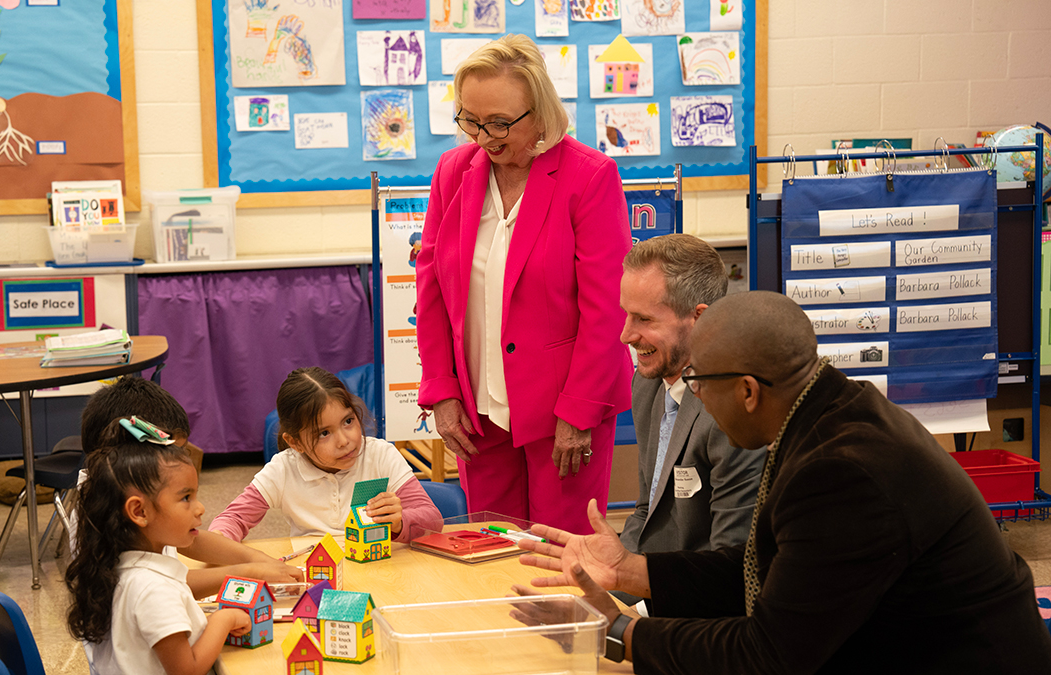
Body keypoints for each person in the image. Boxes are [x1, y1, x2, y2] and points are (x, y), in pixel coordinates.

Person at [517, 291, 1051, 673]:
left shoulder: (844, 471)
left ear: (748, 391)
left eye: (700, 384)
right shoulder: (831, 411)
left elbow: (770, 653)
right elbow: (763, 569)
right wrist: (633, 570)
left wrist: (621, 634)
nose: (695, 397)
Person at [416, 34, 632, 534]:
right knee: (493, 548)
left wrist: (579, 411)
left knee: (564, 558)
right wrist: (442, 390)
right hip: (479, 410)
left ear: (539, 111)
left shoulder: (589, 176)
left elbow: (608, 309)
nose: (484, 137)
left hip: (563, 408)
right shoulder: (454, 172)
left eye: (499, 123)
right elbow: (431, 290)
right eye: (470, 120)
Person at [73, 376, 303, 597]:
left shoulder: (135, 496)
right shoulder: (101, 510)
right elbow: (161, 589)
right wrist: (248, 573)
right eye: (185, 498)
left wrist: (257, 560)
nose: (200, 507)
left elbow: (194, 541)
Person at [66, 419, 251, 675]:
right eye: (186, 498)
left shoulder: (116, 568)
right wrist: (223, 619)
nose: (200, 508)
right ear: (139, 511)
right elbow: (187, 670)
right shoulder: (153, 588)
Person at [617, 234, 763, 558]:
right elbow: (646, 512)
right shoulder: (647, 383)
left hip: (700, 594)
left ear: (700, 317)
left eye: (644, 319)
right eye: (627, 314)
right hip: (655, 576)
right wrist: (609, 573)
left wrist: (634, 588)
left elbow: (728, 563)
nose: (626, 334)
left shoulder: (732, 412)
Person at [209, 367, 442, 541]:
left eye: (348, 421)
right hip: (316, 576)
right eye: (323, 433)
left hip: (379, 570)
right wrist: (220, 540)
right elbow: (233, 519)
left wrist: (399, 524)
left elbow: (433, 519)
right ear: (295, 442)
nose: (344, 441)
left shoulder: (381, 455)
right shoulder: (282, 469)